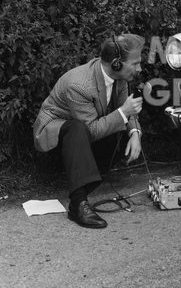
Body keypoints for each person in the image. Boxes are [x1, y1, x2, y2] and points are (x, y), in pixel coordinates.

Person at [33, 34, 145, 229]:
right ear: (117, 64)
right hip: (54, 133)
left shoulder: (119, 78)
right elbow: (90, 130)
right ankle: (78, 203)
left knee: (118, 127)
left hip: (81, 136)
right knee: (78, 128)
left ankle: (85, 180)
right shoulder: (79, 85)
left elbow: (126, 109)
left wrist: (135, 133)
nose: (139, 69)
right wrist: (124, 112)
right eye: (135, 63)